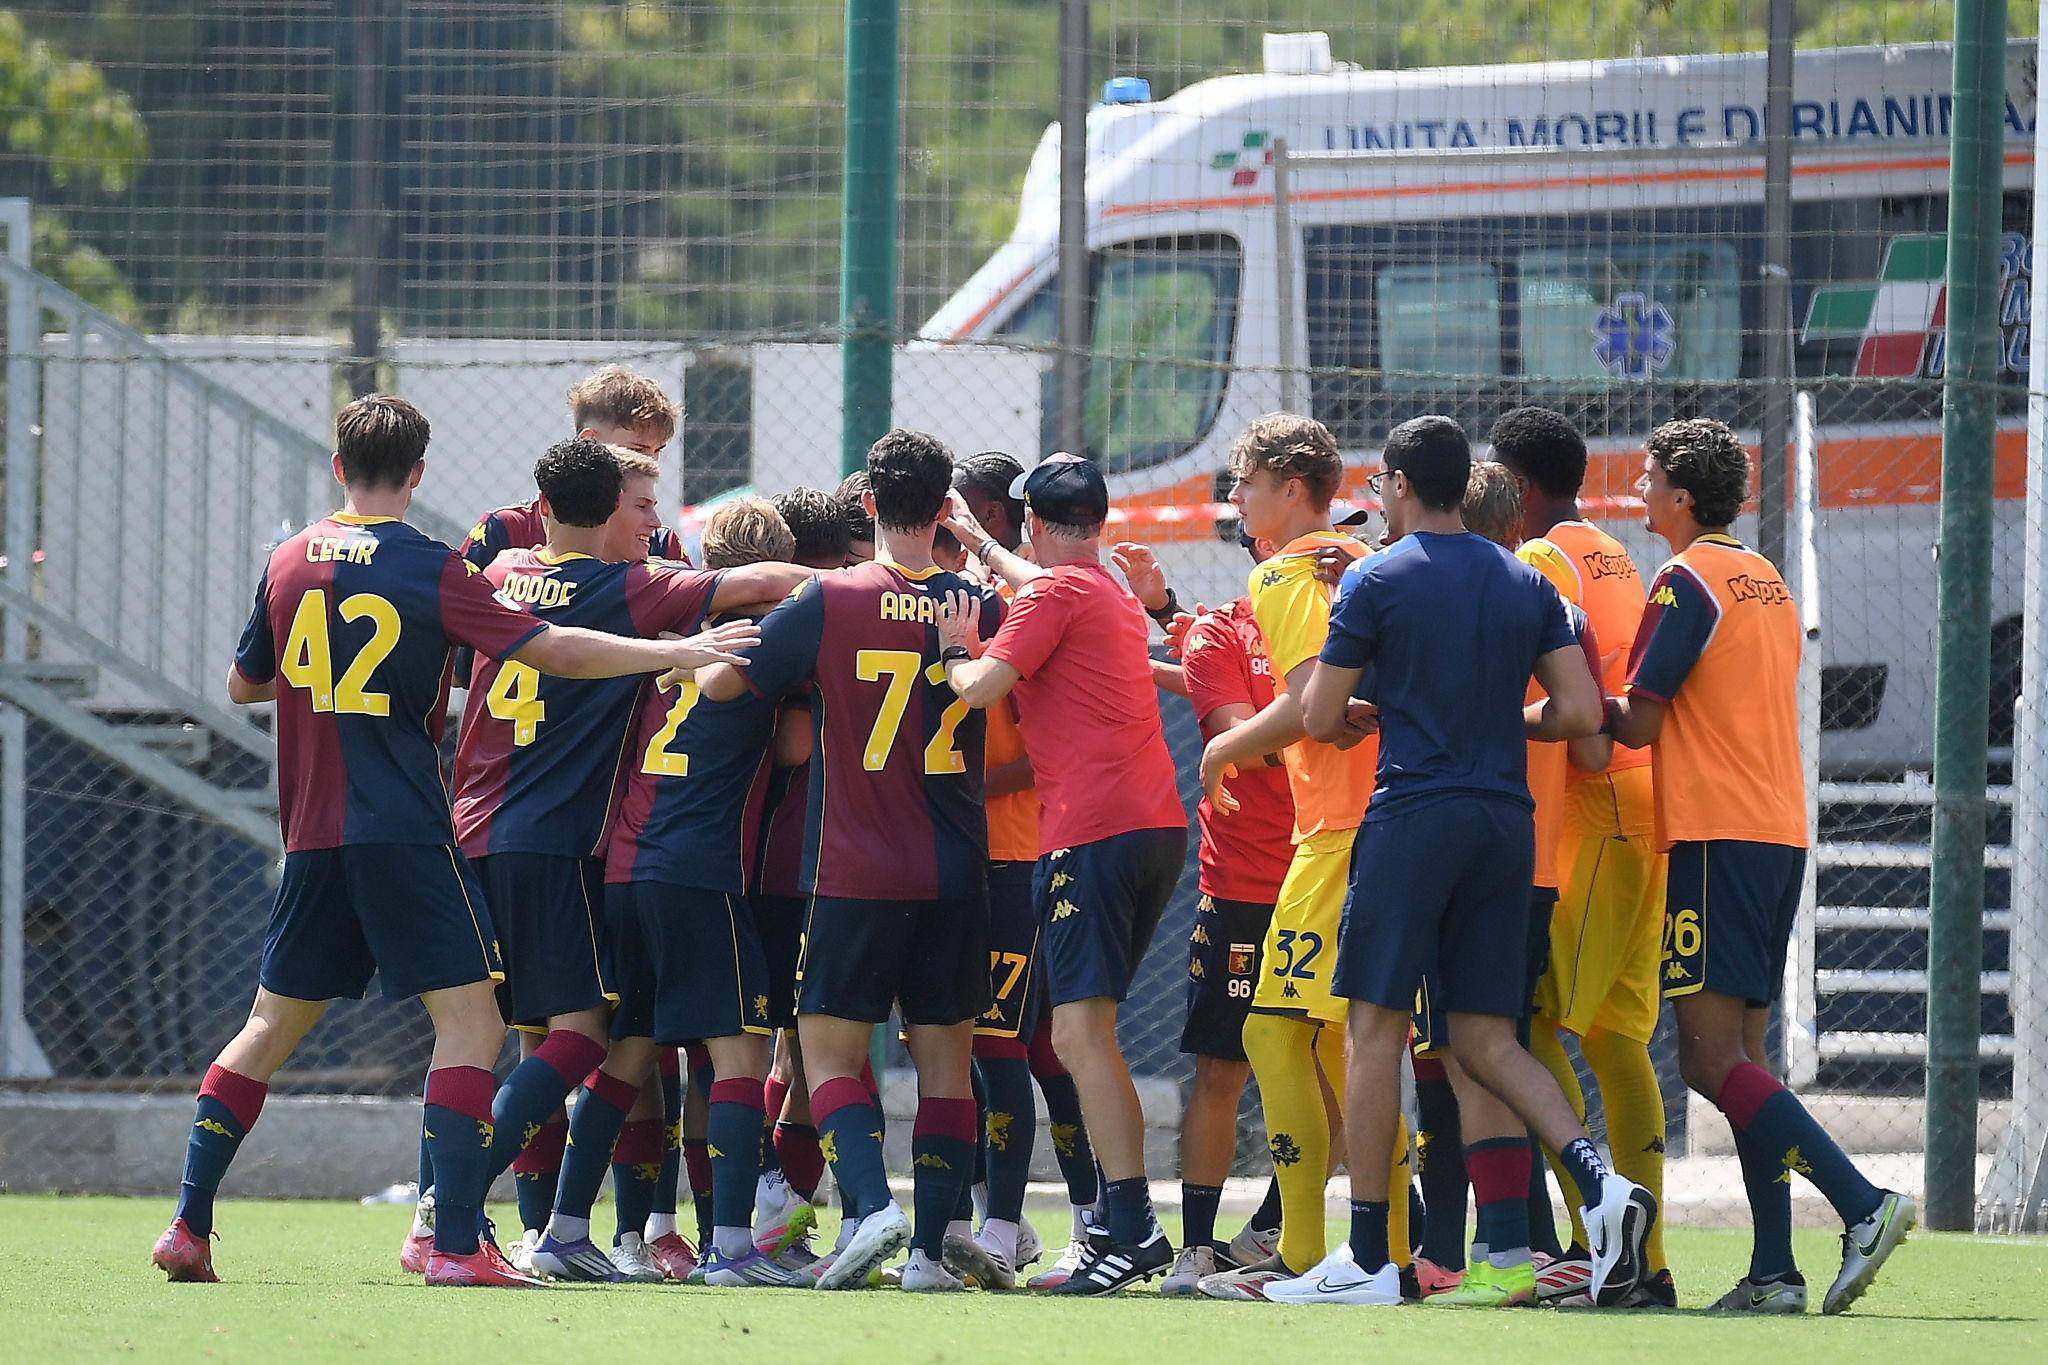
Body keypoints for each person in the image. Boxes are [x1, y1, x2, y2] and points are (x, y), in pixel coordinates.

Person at [150, 397, 757, 1288]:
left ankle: (188, 1224)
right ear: (420, 471)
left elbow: (244, 684)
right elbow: (548, 648)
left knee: (267, 1028)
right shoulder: (432, 569)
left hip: (311, 832)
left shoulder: (287, 559)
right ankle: (456, 1241)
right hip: (401, 826)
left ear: (335, 466)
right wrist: (669, 655)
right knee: (472, 1024)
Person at [1285, 414, 1655, 1309]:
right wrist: (1502, 725)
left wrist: (1365, 713)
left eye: (1380, 487)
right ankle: (1600, 1182)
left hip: (1413, 814)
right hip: (1507, 824)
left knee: (1373, 1027)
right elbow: (1579, 712)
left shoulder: (1374, 577)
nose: (1377, 500)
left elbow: (1317, 715)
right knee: (1487, 1036)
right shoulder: (1527, 581)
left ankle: (1370, 1256)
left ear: (1401, 484)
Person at [1605, 416, 1913, 1315]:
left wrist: (1543, 702)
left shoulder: (1684, 577)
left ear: (1683, 495)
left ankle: (1861, 1204)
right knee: (1741, 1058)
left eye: (1651, 476)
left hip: (1713, 835)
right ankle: (1774, 1271)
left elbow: (1639, 720)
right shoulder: (1765, 577)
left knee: (1705, 1059)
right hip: (1774, 829)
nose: (1641, 491)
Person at [697, 429, 1001, 1292]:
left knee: (825, 1056)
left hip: (854, 868)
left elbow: (733, 681)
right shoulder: (979, 604)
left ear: (867, 503)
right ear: (946, 509)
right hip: (956, 867)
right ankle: (930, 1257)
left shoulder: (829, 600)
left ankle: (870, 1207)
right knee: (947, 1062)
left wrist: (697, 664)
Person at [936, 453, 1189, 1295]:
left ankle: (1130, 1226)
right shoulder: (1108, 585)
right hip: (1154, 827)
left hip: (1091, 835)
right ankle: (1123, 1223)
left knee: (1080, 1036)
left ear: (1036, 523)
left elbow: (980, 688)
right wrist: (980, 542)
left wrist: (951, 649)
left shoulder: (1048, 594)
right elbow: (1037, 577)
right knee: (1085, 1032)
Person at [1193, 415, 1404, 1302]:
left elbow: (1314, 701)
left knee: (1271, 1032)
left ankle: (1304, 1254)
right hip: (1387, 825)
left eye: (1243, 481)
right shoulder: (1363, 566)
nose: (1235, 500)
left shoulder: (1283, 571)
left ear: (1288, 484)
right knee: (1348, 1043)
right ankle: (1387, 1254)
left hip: (1337, 836)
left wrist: (1223, 748)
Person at [599, 497, 821, 1288]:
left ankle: (575, 1227)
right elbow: (796, 741)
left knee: (628, 1054)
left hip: (626, 867)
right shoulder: (763, 646)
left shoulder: (664, 640)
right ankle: (732, 1244)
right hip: (701, 871)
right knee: (736, 1053)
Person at [1484, 406, 1674, 1307]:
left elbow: (1579, 707)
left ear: (1516, 488)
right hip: (1646, 802)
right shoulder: (1608, 548)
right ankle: (1646, 1257)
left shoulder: (1537, 561)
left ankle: (1597, 1237)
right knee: (1615, 1036)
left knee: (1525, 1025)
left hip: (1594, 808)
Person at [951, 451, 1107, 1292]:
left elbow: (1040, 756)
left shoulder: (1020, 608)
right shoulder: (968, 599)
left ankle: (1004, 1226)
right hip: (981, 858)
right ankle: (1082, 1215)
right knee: (1034, 1048)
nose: (964, 530)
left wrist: (956, 797)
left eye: (973, 515)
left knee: (1004, 1045)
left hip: (1013, 857)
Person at [1161, 529, 1299, 1295]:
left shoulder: (1350, 612)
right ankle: (1197, 1249)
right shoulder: (1223, 628)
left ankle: (1277, 1227)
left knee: (1334, 1066)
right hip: (1243, 885)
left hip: (1329, 875)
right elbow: (1239, 735)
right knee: (1222, 1067)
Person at [461, 365, 689, 568]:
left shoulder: (658, 541)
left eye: (658, 451)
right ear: (590, 441)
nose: (651, 462)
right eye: (637, 450)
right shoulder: (507, 528)